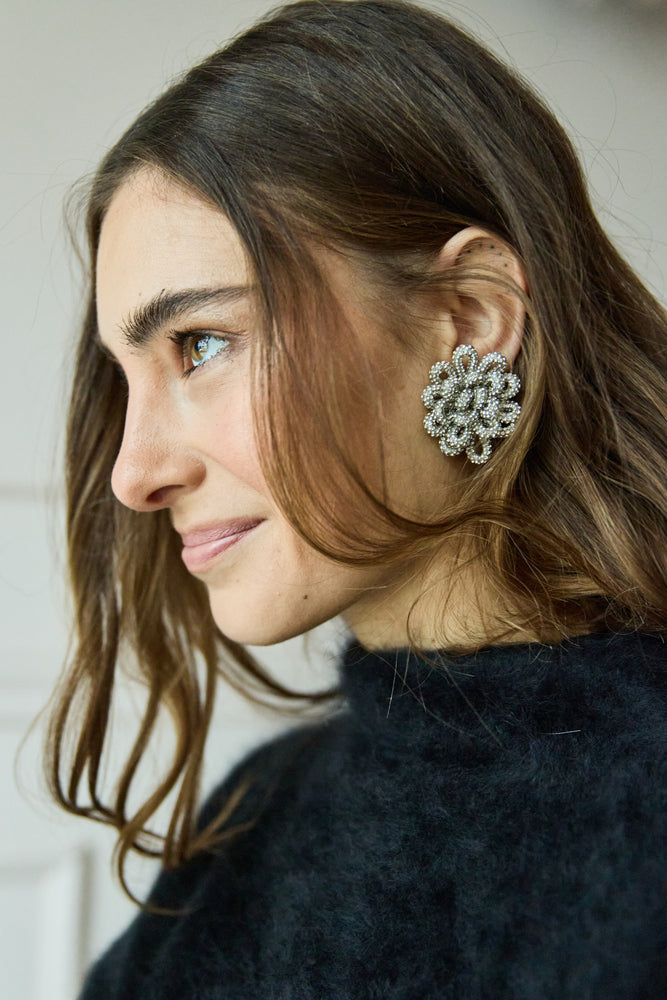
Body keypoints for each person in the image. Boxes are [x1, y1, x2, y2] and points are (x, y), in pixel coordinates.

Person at [44, 0, 665, 996]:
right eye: (126, 379)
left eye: (201, 343)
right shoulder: (251, 820)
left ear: (469, 317)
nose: (132, 473)